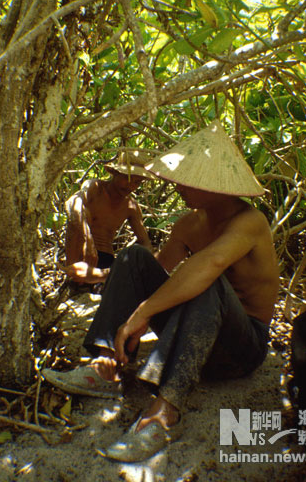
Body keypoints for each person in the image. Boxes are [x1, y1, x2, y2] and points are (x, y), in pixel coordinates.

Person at [43, 121, 280, 462]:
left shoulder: (250, 222)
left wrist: (144, 313)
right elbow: (153, 273)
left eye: (185, 179)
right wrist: (119, 292)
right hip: (191, 335)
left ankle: (164, 410)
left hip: (240, 350)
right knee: (133, 257)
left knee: (208, 279)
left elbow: (209, 265)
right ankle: (106, 364)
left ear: (211, 185)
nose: (174, 184)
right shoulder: (189, 224)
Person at [61, 153, 155, 289]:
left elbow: (145, 243)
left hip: (105, 260)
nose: (131, 186)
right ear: (114, 173)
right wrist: (88, 239)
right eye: (127, 178)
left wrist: (141, 266)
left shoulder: (131, 206)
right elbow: (71, 203)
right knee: (80, 212)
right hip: (79, 253)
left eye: (137, 182)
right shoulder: (95, 187)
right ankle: (73, 282)